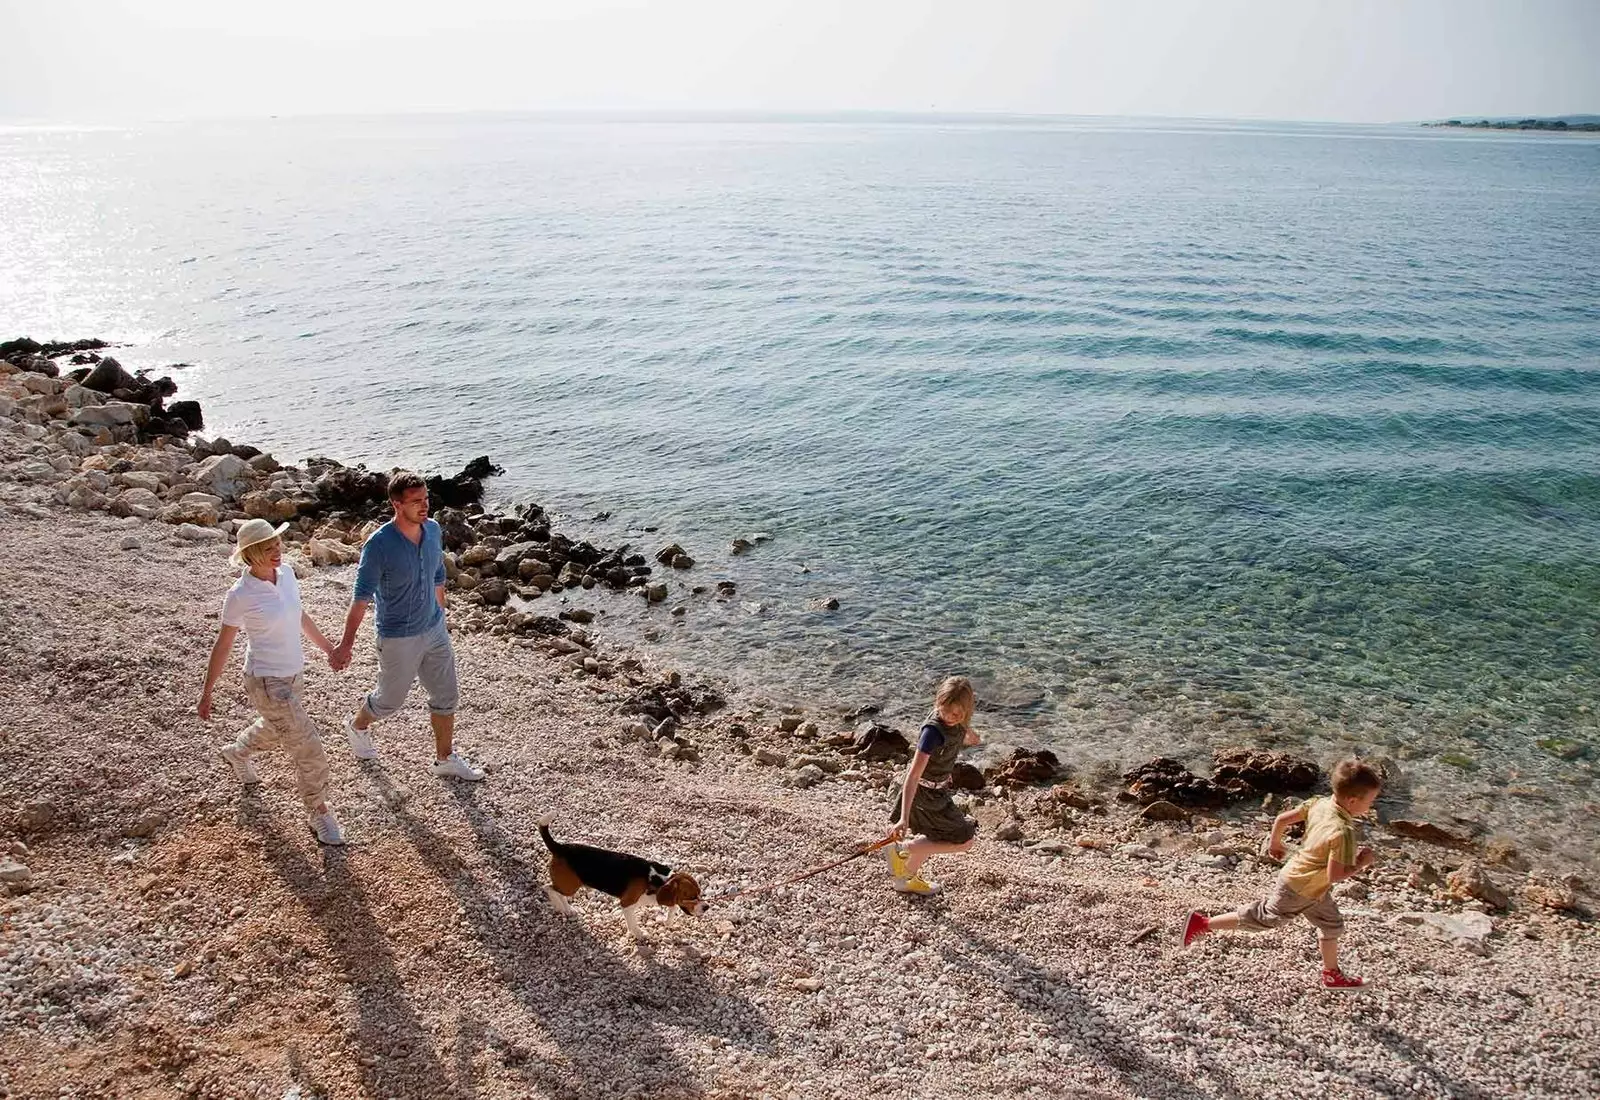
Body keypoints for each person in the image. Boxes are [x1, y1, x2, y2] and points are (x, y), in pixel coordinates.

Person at [199, 518, 345, 845]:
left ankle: (237, 752)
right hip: (266, 681)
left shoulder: (288, 574)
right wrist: (207, 691)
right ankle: (318, 811)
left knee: (278, 729)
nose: (277, 550)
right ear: (250, 555)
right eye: (268, 548)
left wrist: (329, 649)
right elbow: (223, 644)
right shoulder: (240, 594)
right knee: (307, 744)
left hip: (294, 676)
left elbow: (299, 616)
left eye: (277, 543)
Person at [331, 470, 483, 781]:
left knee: (446, 694)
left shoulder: (434, 530)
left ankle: (445, 759)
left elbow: (438, 574)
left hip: (434, 629)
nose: (424, 506)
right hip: (398, 636)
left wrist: (441, 614)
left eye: (426, 499)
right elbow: (361, 598)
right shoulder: (379, 545)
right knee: (389, 701)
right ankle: (357, 725)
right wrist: (345, 645)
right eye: (416, 501)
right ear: (397, 504)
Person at [1182, 758, 1383, 990]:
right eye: (1370, 801)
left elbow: (1281, 819)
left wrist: (1274, 844)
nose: (1371, 807)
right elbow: (1335, 875)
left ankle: (1332, 975)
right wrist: (1361, 862)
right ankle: (1202, 923)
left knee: (1332, 925)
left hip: (1312, 886)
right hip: (1299, 887)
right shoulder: (1343, 832)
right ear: (1352, 800)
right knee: (1264, 918)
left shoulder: (1320, 803)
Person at [880, 676, 981, 895]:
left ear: (967, 710)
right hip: (924, 794)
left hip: (938, 789)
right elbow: (914, 775)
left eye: (957, 714)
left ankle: (905, 879)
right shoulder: (932, 733)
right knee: (965, 839)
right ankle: (901, 851)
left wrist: (969, 734)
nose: (949, 717)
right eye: (945, 710)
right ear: (938, 703)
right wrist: (903, 819)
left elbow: (964, 737)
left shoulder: (958, 722)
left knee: (934, 838)